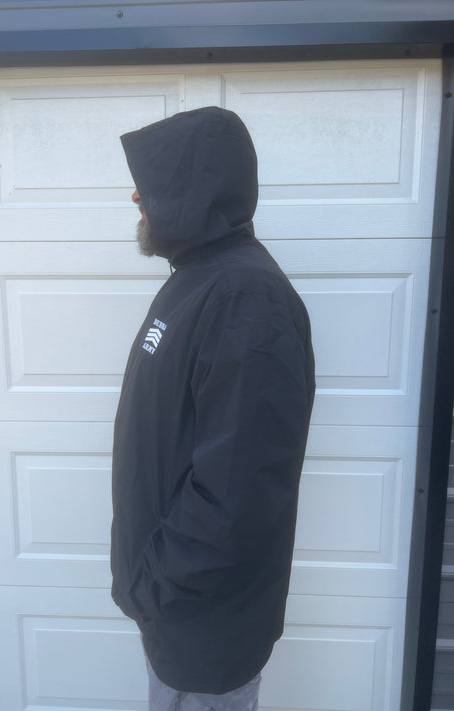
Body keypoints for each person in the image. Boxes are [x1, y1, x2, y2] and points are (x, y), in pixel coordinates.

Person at [110, 106, 315, 711]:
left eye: (149, 182)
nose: (136, 196)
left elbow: (238, 492)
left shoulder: (244, 300)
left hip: (204, 624)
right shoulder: (199, 281)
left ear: (190, 188)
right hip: (179, 615)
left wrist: (155, 585)